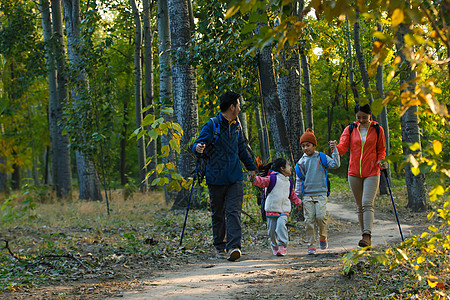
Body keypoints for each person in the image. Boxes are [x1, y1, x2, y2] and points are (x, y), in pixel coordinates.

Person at [192, 91, 256, 261]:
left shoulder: (237, 126)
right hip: (215, 177)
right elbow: (197, 143)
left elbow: (242, 149)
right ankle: (220, 246)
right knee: (218, 213)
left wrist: (252, 168)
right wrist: (197, 147)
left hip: (235, 177)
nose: (240, 108)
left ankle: (234, 247)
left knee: (233, 212)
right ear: (232, 107)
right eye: (239, 105)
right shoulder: (212, 125)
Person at [330, 103, 388, 248]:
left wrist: (381, 160)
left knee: (367, 203)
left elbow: (381, 150)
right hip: (354, 172)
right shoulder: (350, 129)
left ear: (370, 115)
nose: (361, 120)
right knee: (359, 206)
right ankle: (365, 237)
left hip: (372, 171)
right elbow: (342, 149)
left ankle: (367, 235)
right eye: (358, 117)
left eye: (364, 117)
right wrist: (335, 147)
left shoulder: (377, 129)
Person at [295, 129, 340, 255]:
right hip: (307, 195)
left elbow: (336, 164)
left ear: (314, 145)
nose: (305, 148)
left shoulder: (322, 157)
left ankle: (323, 237)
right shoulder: (301, 162)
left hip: (321, 193)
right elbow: (299, 181)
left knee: (320, 217)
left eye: (308, 145)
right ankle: (311, 245)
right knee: (308, 221)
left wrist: (334, 150)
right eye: (303, 146)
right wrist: (298, 199)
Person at [251, 158, 302, 256]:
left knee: (280, 226)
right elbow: (261, 181)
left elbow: (292, 194)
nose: (290, 167)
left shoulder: (289, 182)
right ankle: (274, 245)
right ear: (282, 168)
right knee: (271, 232)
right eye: (288, 165)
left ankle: (282, 246)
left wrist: (298, 202)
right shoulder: (272, 178)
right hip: (271, 210)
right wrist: (254, 179)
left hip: (284, 211)